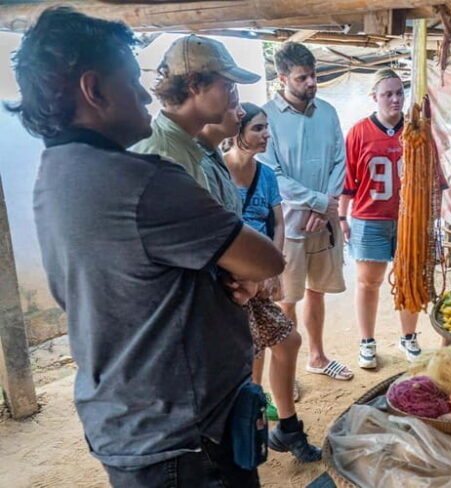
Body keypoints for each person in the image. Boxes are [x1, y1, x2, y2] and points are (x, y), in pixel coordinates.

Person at [10, 7, 284, 486]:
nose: (143, 95)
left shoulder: (56, 173)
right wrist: (235, 274)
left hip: (131, 418)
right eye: (132, 81)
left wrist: (219, 279)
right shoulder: (143, 181)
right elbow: (266, 258)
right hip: (181, 433)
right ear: (93, 90)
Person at [219, 102, 321, 462]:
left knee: (288, 341)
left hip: (258, 281)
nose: (266, 135)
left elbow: (276, 223)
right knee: (253, 357)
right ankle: (254, 433)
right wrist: (248, 276)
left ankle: (283, 429)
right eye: (258, 129)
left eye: (266, 128)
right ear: (237, 132)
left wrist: (272, 270)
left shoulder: (265, 175)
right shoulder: (216, 172)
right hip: (229, 285)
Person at [259, 42, 352, 381]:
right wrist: (318, 202)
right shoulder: (267, 118)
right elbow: (273, 175)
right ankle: (288, 374)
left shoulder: (327, 111)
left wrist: (326, 202)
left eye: (313, 75)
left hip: (323, 221)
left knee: (317, 291)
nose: (311, 83)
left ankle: (317, 356)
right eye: (302, 78)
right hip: (290, 225)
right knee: (287, 299)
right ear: (282, 77)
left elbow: (340, 161)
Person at [338, 69, 421, 369]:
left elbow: (429, 178)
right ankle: (367, 341)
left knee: (410, 279)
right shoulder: (359, 132)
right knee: (368, 282)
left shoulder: (415, 130)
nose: (396, 99)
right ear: (374, 97)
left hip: (408, 219)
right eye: (388, 93)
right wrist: (342, 216)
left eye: (400, 92)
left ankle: (409, 336)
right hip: (369, 217)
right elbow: (349, 178)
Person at [132, 34, 260, 186]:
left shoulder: (185, 146)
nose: (234, 98)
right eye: (228, 86)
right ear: (194, 85)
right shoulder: (163, 156)